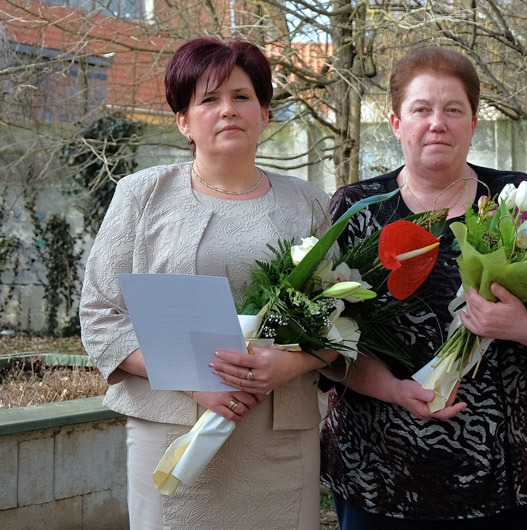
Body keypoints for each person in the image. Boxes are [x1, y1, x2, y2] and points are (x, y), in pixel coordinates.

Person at [80, 38, 336, 529]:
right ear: (183, 120)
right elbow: (100, 316)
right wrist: (193, 379)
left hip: (280, 434)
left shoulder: (308, 203)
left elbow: (342, 319)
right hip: (173, 427)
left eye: (242, 96)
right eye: (209, 99)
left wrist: (290, 363)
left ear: (265, 113)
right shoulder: (142, 195)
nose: (228, 110)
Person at [319, 46, 527, 529]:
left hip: (510, 468)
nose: (437, 123)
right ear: (396, 123)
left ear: (473, 123)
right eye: (421, 109)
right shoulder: (356, 210)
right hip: (380, 469)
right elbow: (330, 346)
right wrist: (395, 389)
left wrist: (521, 326)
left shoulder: (517, 200)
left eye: (453, 110)